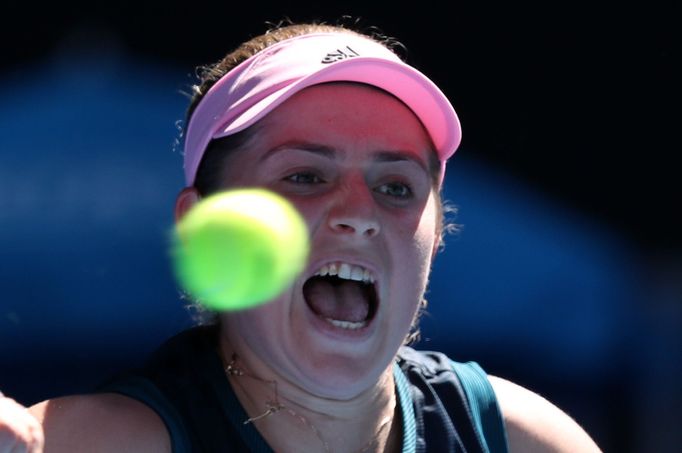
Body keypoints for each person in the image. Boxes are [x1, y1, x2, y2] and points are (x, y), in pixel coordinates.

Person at [1, 21, 603, 452]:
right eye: (306, 176)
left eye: (396, 187)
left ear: (437, 233)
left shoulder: (524, 440)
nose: (358, 214)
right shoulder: (85, 444)